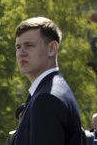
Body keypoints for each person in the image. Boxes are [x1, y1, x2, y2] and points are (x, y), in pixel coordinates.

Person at [13, 15, 82, 145]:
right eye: (18, 47)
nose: (21, 53)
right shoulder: (51, 91)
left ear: (52, 48)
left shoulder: (47, 98)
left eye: (29, 45)